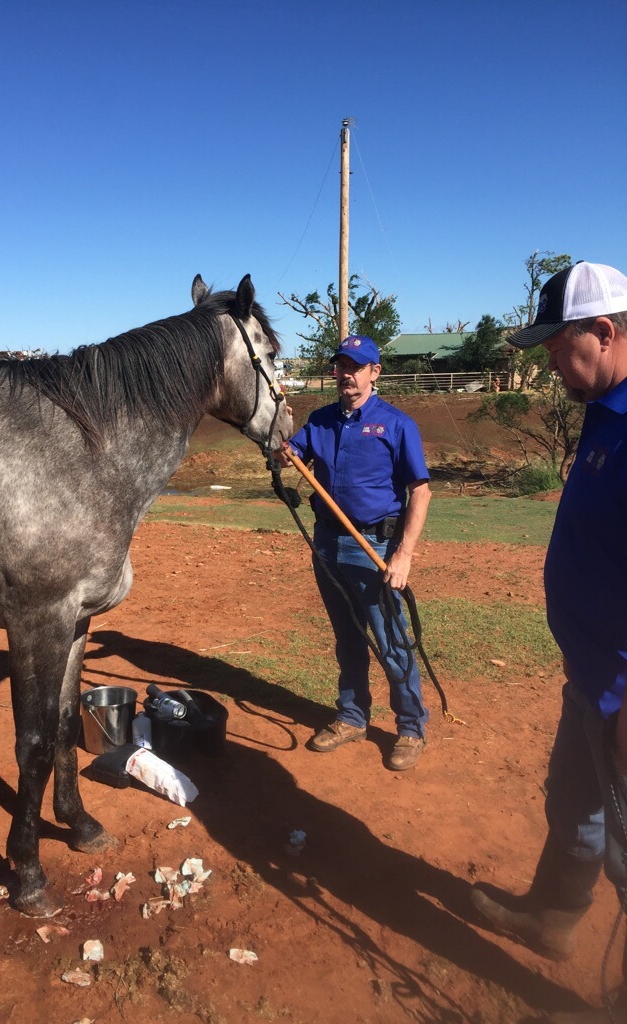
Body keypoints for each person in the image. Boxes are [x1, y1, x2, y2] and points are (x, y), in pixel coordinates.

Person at [470, 262, 627, 1022]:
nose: (549, 365)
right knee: (573, 804)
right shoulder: (604, 409)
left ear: (604, 331)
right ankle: (553, 920)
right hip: (591, 675)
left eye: (559, 348)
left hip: (625, 690)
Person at [278, 334, 432, 771]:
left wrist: (404, 554)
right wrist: (280, 442)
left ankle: (410, 726)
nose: (347, 374)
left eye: (356, 366)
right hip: (327, 541)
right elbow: (291, 452)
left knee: (390, 641)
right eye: (341, 366)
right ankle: (351, 717)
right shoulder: (321, 419)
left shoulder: (397, 424)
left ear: (374, 372)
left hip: (375, 545)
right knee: (347, 638)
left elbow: (420, 491)